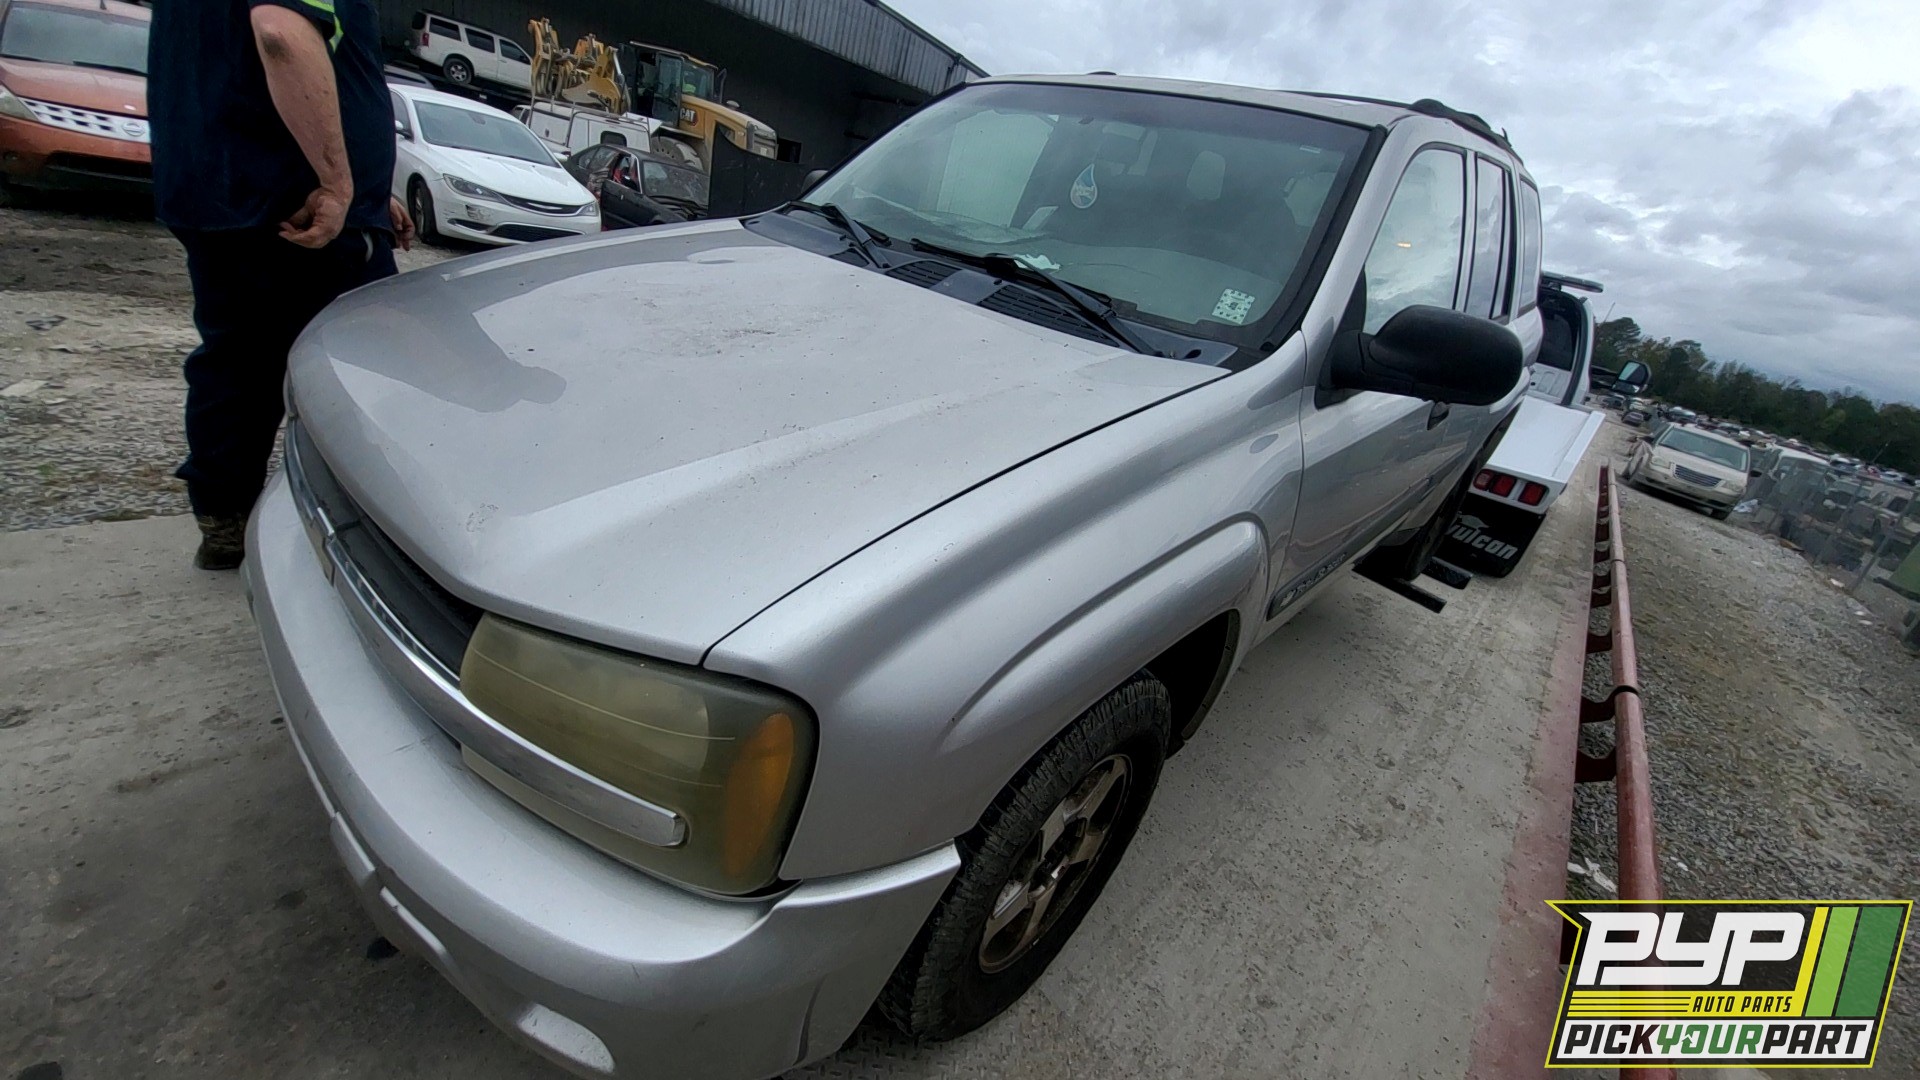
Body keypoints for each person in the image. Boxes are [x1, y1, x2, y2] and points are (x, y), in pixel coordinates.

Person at [147, 0, 415, 570]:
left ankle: (224, 518)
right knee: (370, 371)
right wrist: (338, 184)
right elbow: (281, 35)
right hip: (294, 205)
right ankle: (376, 548)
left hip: (223, 186)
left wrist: (368, 193)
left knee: (238, 360)